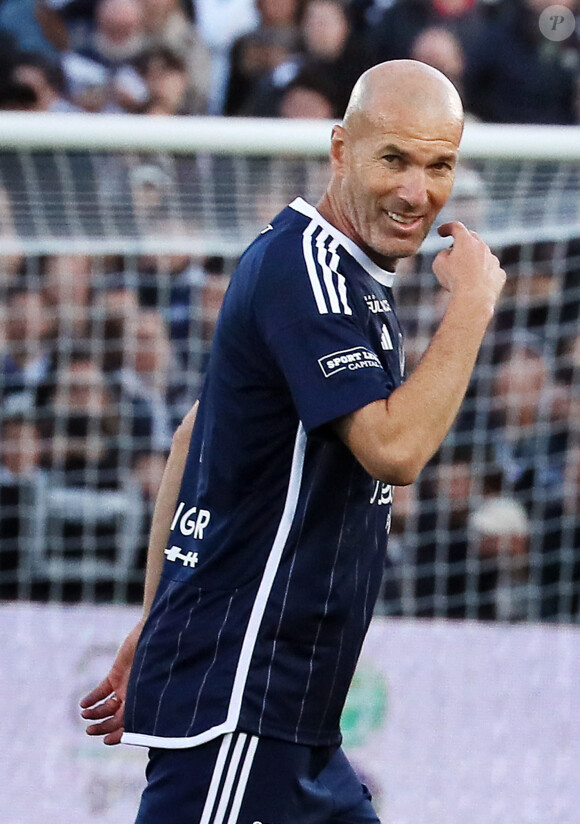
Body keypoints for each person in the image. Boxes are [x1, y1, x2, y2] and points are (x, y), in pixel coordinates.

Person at [80, 59, 505, 823]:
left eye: (439, 165)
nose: (418, 191)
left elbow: (191, 441)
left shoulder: (349, 276)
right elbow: (394, 450)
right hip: (241, 704)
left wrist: (158, 620)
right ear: (341, 150)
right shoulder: (306, 269)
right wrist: (471, 305)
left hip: (294, 718)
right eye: (395, 159)